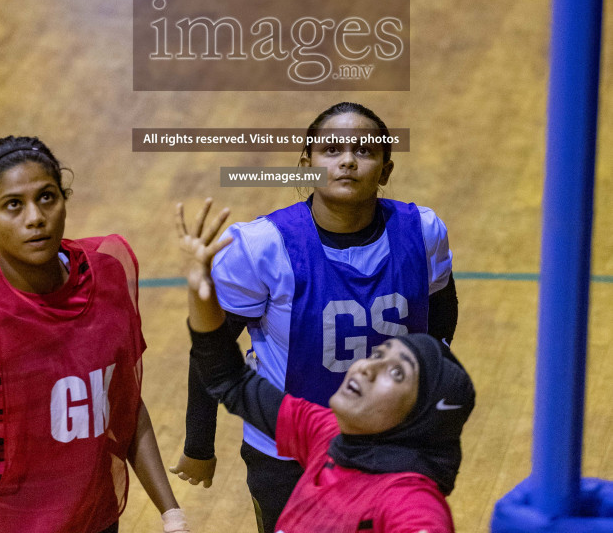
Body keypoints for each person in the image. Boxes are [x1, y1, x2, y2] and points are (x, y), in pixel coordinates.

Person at [171, 102, 459, 533]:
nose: (347, 160)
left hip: (390, 446)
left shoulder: (422, 230)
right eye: (331, 150)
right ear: (306, 165)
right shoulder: (261, 247)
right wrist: (199, 443)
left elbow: (440, 319)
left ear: (385, 169)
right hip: (287, 449)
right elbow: (213, 351)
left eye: (364, 150)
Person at [0, 136, 189, 533]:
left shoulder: (106, 278)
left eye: (47, 197)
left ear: (65, 199)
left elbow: (125, 404)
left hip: (95, 521)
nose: (35, 217)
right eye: (13, 205)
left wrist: (172, 514)